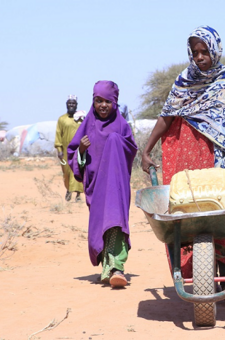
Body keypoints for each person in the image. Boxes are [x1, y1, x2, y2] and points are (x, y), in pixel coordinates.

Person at [141, 25, 225, 303]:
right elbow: (167, 116)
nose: (199, 57)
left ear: (215, 51)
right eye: (195, 52)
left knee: (224, 211)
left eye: (204, 51)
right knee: (189, 208)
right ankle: (195, 277)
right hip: (185, 154)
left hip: (219, 157)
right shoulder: (184, 81)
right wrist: (147, 149)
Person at [67, 81, 138, 288]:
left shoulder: (122, 126)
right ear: (93, 101)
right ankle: (106, 267)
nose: (103, 105)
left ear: (115, 102)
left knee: (115, 221)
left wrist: (116, 141)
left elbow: (130, 150)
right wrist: (80, 149)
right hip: (95, 186)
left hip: (116, 185)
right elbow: (73, 155)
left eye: (108, 101)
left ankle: (117, 268)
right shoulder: (87, 124)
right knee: (101, 226)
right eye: (98, 101)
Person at [54, 95, 86, 202]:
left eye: (73, 103)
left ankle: (78, 195)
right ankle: (68, 190)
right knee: (66, 172)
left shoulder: (81, 118)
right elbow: (58, 134)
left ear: (76, 105)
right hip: (66, 152)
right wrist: (59, 150)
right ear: (66, 105)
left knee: (78, 170)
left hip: (79, 150)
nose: (71, 105)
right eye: (69, 103)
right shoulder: (62, 119)